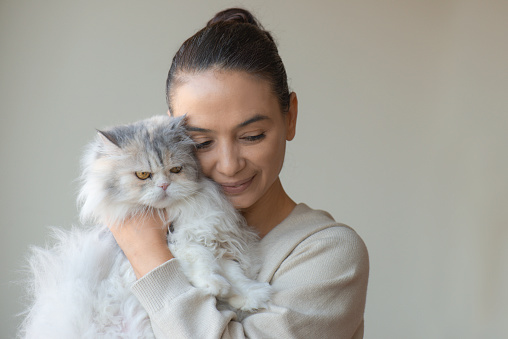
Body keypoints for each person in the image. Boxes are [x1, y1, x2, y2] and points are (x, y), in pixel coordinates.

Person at [109, 8, 369, 339]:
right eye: (201, 142)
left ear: (290, 118)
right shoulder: (145, 224)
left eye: (251, 136)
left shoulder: (328, 254)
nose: (230, 165)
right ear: (170, 133)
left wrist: (150, 257)